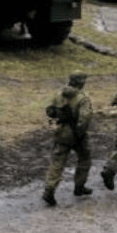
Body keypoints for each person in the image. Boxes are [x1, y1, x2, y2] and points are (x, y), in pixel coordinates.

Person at [42, 71, 93, 205]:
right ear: (81, 82)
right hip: (77, 135)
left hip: (60, 132)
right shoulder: (82, 98)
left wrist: (59, 116)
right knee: (84, 159)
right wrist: (79, 134)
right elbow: (85, 118)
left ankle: (49, 190)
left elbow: (49, 110)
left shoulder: (59, 94)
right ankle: (79, 187)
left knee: (57, 162)